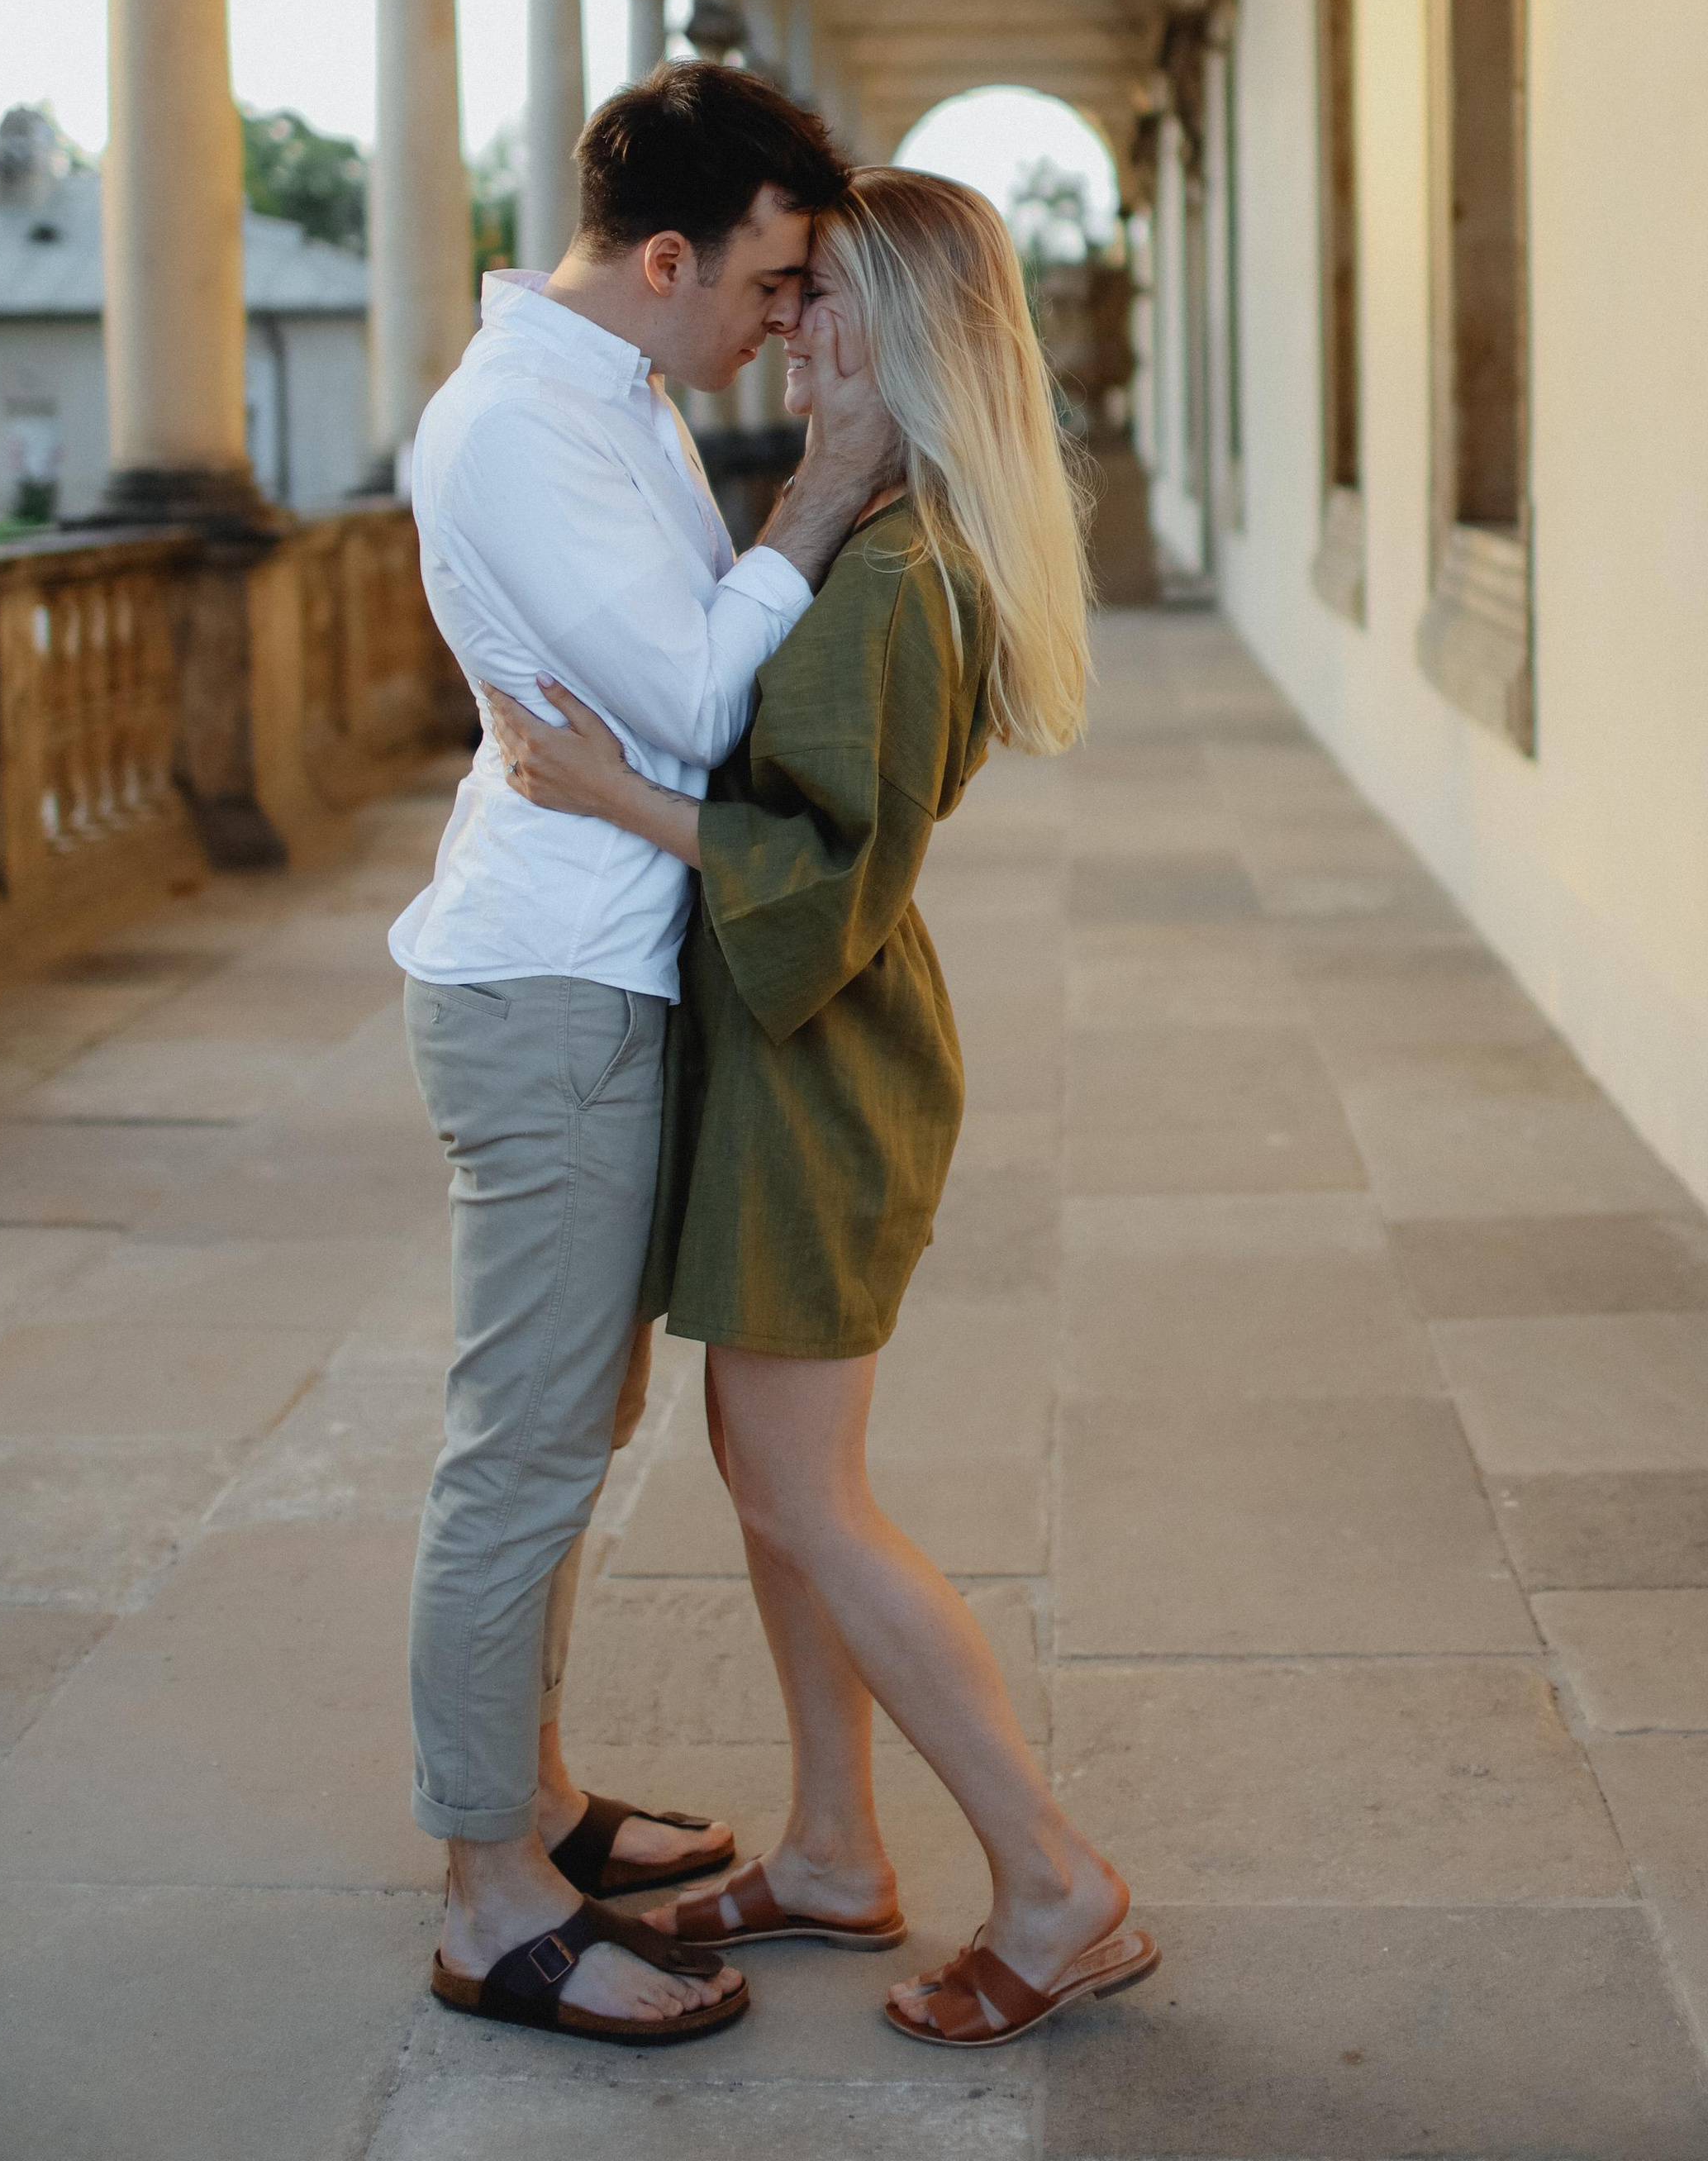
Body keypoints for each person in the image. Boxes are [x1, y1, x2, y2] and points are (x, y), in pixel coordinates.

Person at [486, 166, 1158, 2052]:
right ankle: (841, 1850)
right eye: (786, 298)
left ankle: (1050, 1879)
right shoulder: (878, 528)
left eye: (824, 302)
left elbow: (823, 874)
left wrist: (602, 788)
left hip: (823, 1065)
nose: (787, 325)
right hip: (809, 1062)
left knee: (802, 1489)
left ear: (910, 337)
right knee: (771, 1484)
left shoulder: (897, 574)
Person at [392, 64, 902, 2047]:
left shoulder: (611, 401)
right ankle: (484, 1896)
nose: (784, 321)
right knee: (518, 1457)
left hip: (608, 966)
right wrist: (828, 481)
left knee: (568, 1434)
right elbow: (691, 698)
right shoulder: (521, 424)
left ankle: (527, 1807)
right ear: (669, 257)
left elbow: (664, 695)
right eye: (770, 282)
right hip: (551, 989)